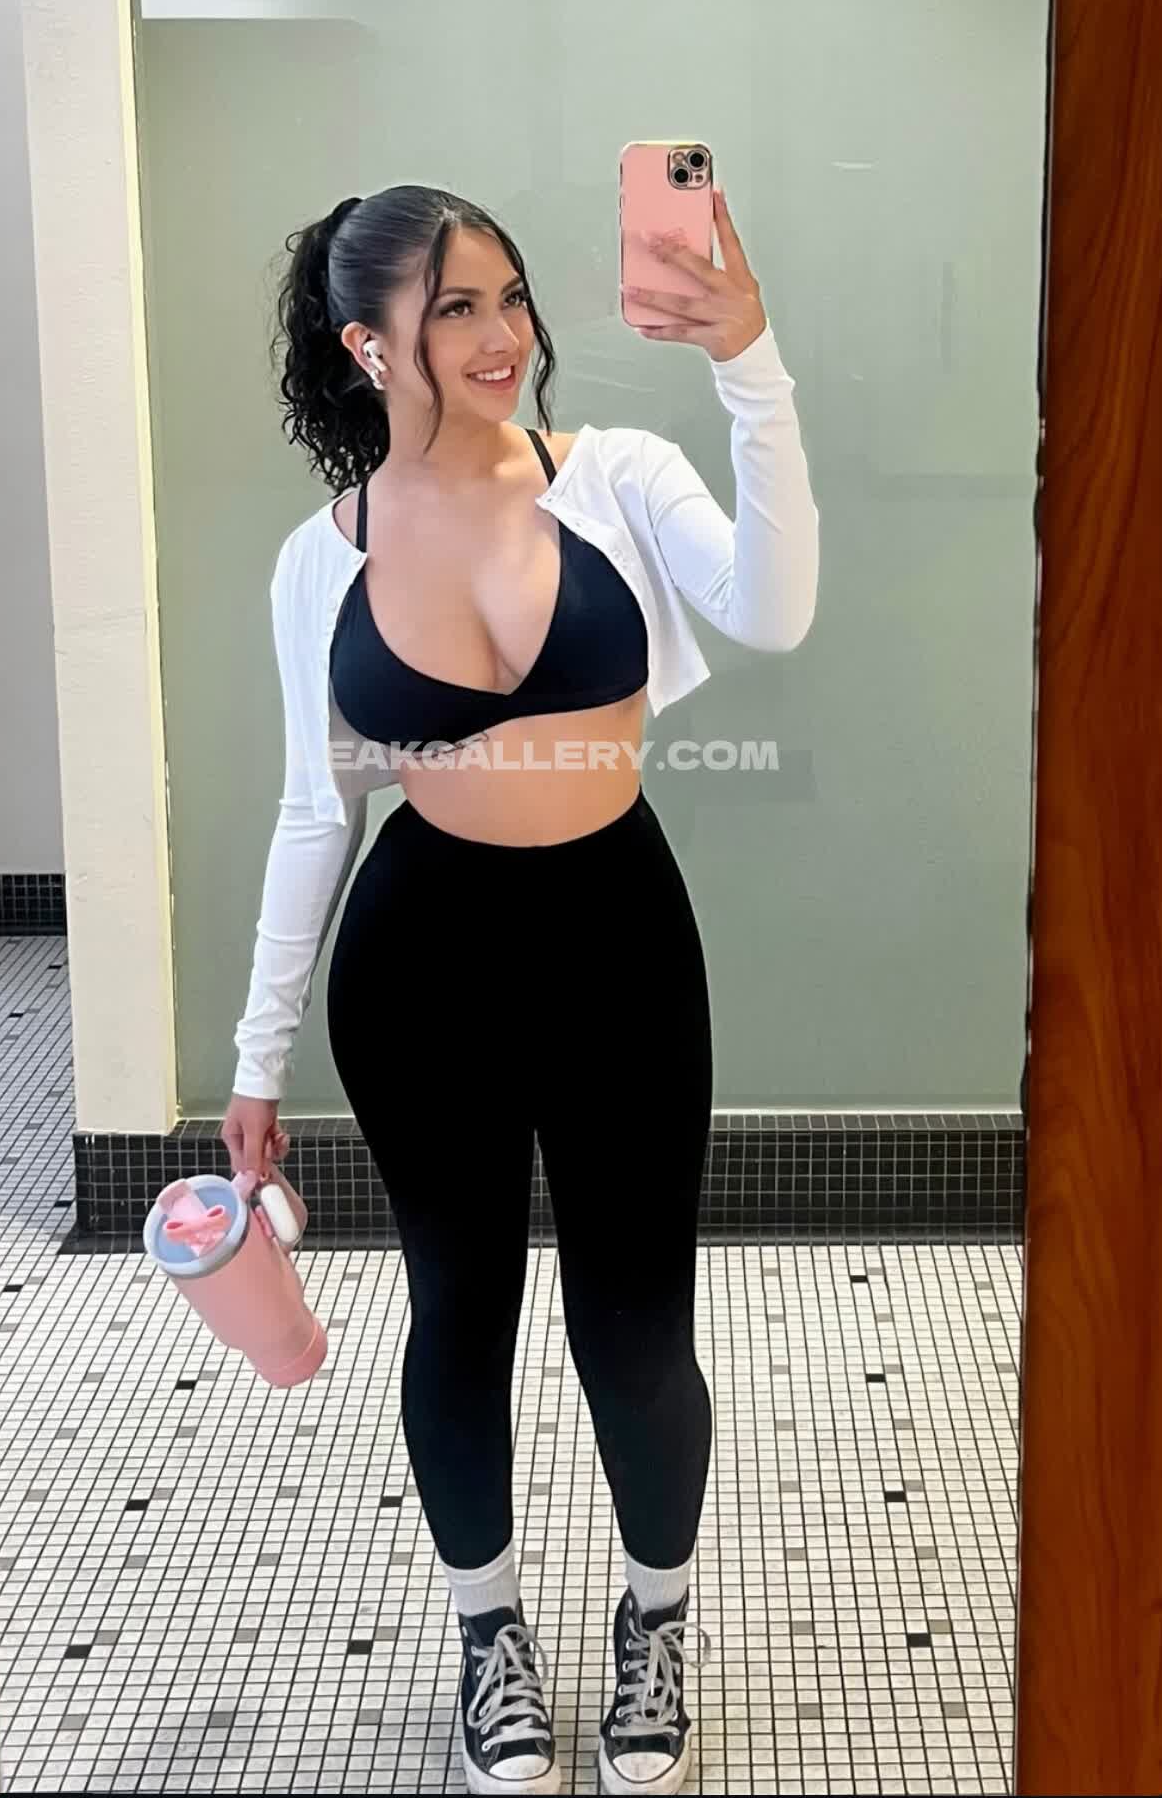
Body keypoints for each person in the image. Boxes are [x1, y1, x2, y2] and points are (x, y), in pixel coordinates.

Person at [222, 183, 819, 1795]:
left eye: (508, 296)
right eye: (454, 309)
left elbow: (773, 609)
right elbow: (315, 810)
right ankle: (487, 1632)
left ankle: (653, 1622)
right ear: (368, 345)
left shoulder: (613, 475)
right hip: (422, 965)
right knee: (456, 1314)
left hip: (618, 943)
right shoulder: (319, 560)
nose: (503, 337)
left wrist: (748, 364)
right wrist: (256, 1062)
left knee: (637, 1327)